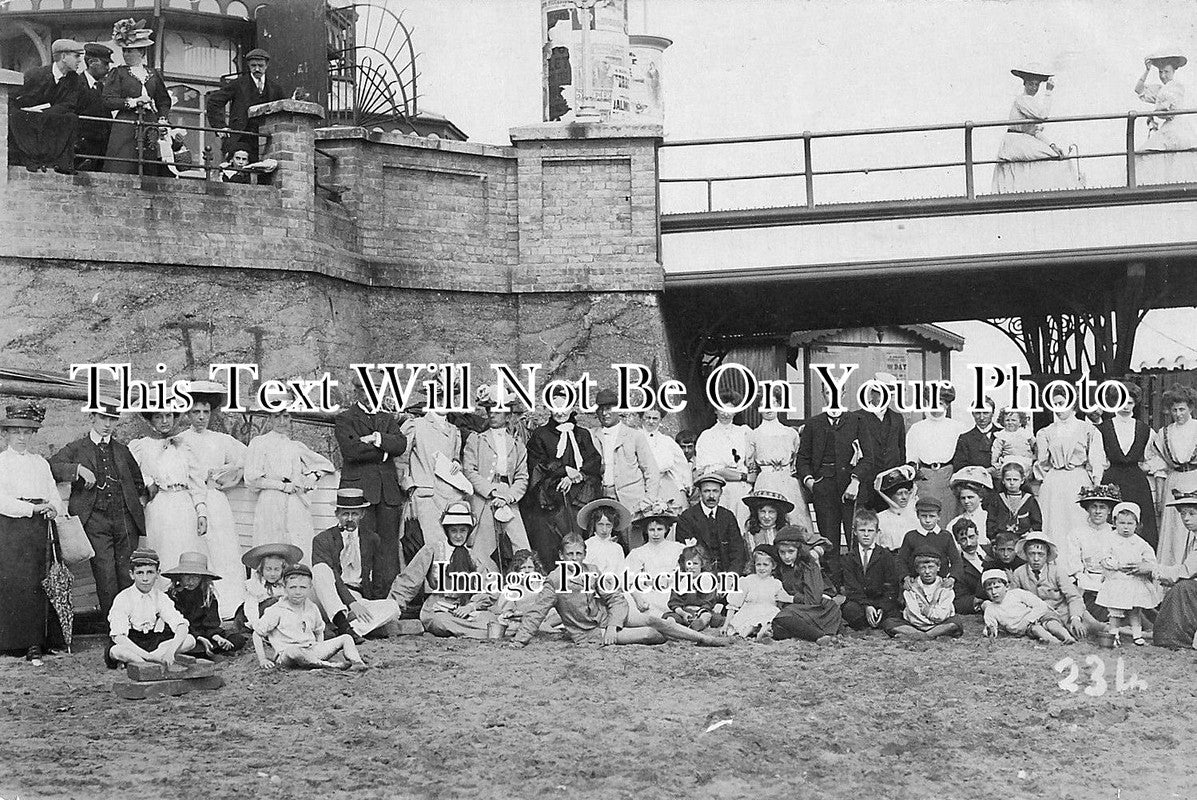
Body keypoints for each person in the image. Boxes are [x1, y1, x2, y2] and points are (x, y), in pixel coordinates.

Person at [509, 533, 728, 647]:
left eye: (578, 554)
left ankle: (705, 639)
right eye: (570, 555)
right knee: (653, 635)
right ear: (561, 556)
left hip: (608, 618)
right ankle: (679, 635)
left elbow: (616, 598)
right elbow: (537, 612)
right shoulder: (555, 580)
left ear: (584, 555)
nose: (575, 559)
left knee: (654, 620)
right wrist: (519, 641)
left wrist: (614, 624)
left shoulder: (592, 570)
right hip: (589, 633)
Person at [50, 401, 148, 618]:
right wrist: (77, 470)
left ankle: (132, 622)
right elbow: (51, 466)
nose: (107, 424)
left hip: (124, 520)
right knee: (105, 575)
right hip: (95, 521)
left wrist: (137, 502)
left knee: (127, 572)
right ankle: (113, 625)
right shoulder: (76, 449)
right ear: (91, 417)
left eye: (112, 419)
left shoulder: (122, 450)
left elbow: (138, 482)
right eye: (103, 418)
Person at [0, 402, 67, 664]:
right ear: (6, 434)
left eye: (26, 432)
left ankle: (36, 641)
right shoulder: (1, 462)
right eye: (16, 431)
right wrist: (31, 509)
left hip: (40, 528)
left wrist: (53, 508)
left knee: (40, 582)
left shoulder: (40, 463)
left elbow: (53, 494)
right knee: (15, 582)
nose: (21, 437)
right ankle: (11, 642)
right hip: (11, 528)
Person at [178, 382, 248, 619]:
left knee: (224, 551)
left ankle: (229, 604)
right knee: (196, 550)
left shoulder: (222, 440)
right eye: (196, 412)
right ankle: (197, 607)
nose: (201, 417)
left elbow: (248, 458)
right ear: (188, 413)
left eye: (205, 412)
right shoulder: (180, 440)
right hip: (189, 501)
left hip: (216, 501)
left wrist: (228, 472)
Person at [334, 381, 407, 589]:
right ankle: (362, 595)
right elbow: (352, 451)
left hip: (388, 493)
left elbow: (401, 444)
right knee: (360, 544)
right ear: (358, 392)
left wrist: (376, 438)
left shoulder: (387, 418)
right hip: (360, 492)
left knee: (388, 548)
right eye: (367, 391)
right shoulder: (345, 418)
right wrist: (385, 450)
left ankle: (387, 597)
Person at [388, 503, 499, 638]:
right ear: (447, 531)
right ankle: (476, 632)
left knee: (490, 620)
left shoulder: (474, 557)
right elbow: (409, 580)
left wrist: (470, 607)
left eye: (462, 530)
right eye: (454, 530)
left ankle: (473, 631)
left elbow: (488, 590)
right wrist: (393, 609)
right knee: (440, 622)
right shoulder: (433, 550)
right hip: (439, 609)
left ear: (468, 531)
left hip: (466, 608)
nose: (458, 536)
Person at [311, 488, 402, 642]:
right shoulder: (322, 539)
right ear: (337, 514)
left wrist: (369, 603)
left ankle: (347, 631)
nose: (350, 519)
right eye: (345, 514)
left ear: (362, 515)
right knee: (320, 569)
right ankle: (342, 623)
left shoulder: (371, 538)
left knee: (393, 607)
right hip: (328, 597)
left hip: (356, 597)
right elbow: (331, 575)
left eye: (355, 514)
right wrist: (351, 603)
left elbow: (378, 576)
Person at [244, 408, 335, 560]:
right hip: (270, 500)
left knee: (298, 542)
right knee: (270, 543)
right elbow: (251, 479)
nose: (281, 421)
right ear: (270, 418)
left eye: (285, 417)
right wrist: (282, 486)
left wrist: (312, 477)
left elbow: (326, 465)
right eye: (277, 416)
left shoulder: (295, 446)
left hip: (295, 501)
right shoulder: (259, 443)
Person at [129, 410, 207, 582]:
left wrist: (201, 511)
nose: (164, 421)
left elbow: (196, 480)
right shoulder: (142, 445)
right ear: (150, 420)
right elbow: (129, 473)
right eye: (158, 416)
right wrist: (148, 482)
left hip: (183, 504)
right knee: (162, 550)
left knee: (185, 549)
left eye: (169, 416)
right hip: (159, 505)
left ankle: (184, 595)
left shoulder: (183, 444)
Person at [523, 399, 602, 569]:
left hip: (579, 499)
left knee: (579, 541)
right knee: (552, 545)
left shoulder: (583, 434)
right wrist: (564, 471)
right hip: (552, 501)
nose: (560, 412)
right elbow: (537, 466)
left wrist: (578, 475)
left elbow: (594, 462)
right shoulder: (541, 435)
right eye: (555, 407)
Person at [796, 406, 863, 589]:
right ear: (824, 395)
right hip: (823, 488)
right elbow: (802, 459)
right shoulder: (814, 423)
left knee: (854, 537)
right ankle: (833, 587)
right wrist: (810, 482)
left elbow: (868, 457)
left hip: (850, 488)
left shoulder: (856, 421)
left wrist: (856, 480)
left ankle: (855, 586)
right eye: (827, 392)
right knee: (829, 539)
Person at [253, 564, 367, 671]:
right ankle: (328, 665)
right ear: (284, 587)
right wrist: (262, 659)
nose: (298, 592)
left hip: (311, 649)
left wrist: (319, 647)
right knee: (293, 651)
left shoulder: (312, 608)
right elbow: (257, 633)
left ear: (310, 587)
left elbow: (319, 631)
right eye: (292, 587)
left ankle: (357, 662)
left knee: (346, 638)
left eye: (303, 587)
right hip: (287, 655)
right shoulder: (276, 610)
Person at [463, 390, 531, 568]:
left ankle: (525, 588)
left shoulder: (517, 445)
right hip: (484, 498)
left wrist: (507, 497)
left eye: (498, 410)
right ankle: (484, 591)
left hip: (507, 496)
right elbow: (469, 470)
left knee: (521, 546)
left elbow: (522, 477)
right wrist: (491, 492)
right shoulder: (476, 440)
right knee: (481, 550)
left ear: (508, 416)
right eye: (490, 409)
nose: (492, 413)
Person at [992, 64, 1081, 193]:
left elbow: (1035, 131)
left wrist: (1052, 145)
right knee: (1051, 157)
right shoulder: (1022, 100)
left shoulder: (1030, 102)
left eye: (1036, 85)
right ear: (1025, 84)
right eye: (1031, 84)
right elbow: (1042, 115)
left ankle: (1058, 187)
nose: (1034, 88)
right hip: (1015, 141)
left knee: (1055, 154)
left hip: (1024, 139)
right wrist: (1048, 92)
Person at [105, 548, 196, 669]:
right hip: (130, 643)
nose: (145, 578)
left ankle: (143, 663)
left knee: (190, 640)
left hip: (153, 643)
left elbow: (181, 626)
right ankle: (147, 662)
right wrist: (147, 656)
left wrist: (170, 651)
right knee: (117, 651)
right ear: (132, 574)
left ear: (158, 573)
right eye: (140, 573)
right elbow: (119, 637)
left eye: (150, 572)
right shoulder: (123, 598)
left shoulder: (161, 597)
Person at [593, 388, 660, 550]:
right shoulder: (592, 435)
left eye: (609, 408)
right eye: (601, 409)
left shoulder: (634, 435)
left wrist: (647, 500)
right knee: (606, 545)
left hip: (631, 501)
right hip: (602, 498)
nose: (605, 413)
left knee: (634, 546)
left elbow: (651, 470)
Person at [103, 20, 171, 175]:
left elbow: (163, 100)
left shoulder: (153, 74)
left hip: (150, 123)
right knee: (123, 163)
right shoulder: (118, 73)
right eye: (125, 51)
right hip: (126, 124)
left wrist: (162, 119)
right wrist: (133, 102)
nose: (126, 55)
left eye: (130, 51)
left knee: (149, 165)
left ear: (141, 52)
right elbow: (107, 100)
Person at [7, 39, 83, 174]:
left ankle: (59, 162)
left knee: (71, 118)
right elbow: (12, 97)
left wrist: (43, 111)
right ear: (64, 57)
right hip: (25, 118)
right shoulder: (36, 75)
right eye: (76, 56)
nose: (80, 61)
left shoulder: (74, 79)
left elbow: (68, 104)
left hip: (48, 118)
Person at [1036, 393, 1104, 543]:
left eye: (1061, 403)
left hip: (1078, 480)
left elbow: (1096, 458)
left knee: (1078, 521)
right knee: (1054, 523)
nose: (1057, 408)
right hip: (1054, 482)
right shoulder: (1046, 432)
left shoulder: (1088, 429)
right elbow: (1042, 462)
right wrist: (1047, 478)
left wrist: (1096, 482)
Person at [1096, 383, 1157, 551]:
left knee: (1140, 521)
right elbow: (1097, 458)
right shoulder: (1102, 429)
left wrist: (1146, 466)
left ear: (1135, 404)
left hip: (1136, 481)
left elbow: (1153, 456)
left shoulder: (1145, 429)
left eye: (1129, 402)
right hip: (1111, 479)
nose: (1125, 406)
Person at [204, 48, 285, 162]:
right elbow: (214, 101)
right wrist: (220, 127)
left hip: (265, 140)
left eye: (260, 65)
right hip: (240, 137)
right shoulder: (238, 84)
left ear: (266, 66)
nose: (257, 69)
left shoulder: (275, 89)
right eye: (253, 65)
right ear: (248, 65)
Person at [1097, 502, 1160, 646]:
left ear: (1137, 524)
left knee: (1134, 609)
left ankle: (1137, 635)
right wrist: (1116, 565)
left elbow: (1150, 559)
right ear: (1114, 523)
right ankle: (1114, 634)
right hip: (1117, 579)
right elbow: (1104, 557)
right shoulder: (1109, 539)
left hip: (1134, 580)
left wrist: (1143, 567)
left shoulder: (1140, 543)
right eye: (1122, 523)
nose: (1126, 527)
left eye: (1130, 524)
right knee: (1115, 609)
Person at [1148, 385, 1197, 569]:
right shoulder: (1165, 433)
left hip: (1195, 479)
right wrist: (1160, 498)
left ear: (1190, 408)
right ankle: (1171, 574)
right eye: (1174, 410)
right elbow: (1159, 466)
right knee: (1175, 530)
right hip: (1175, 482)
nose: (1178, 414)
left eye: (1182, 409)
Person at [163, 552, 244, 657]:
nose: (191, 581)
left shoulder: (208, 597)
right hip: (184, 635)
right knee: (180, 641)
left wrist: (218, 638)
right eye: (187, 576)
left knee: (237, 639)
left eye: (196, 577)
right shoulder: (172, 596)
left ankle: (210, 649)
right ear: (179, 577)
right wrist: (199, 637)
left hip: (205, 634)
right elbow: (176, 624)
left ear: (202, 578)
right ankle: (202, 651)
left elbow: (211, 624)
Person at [748, 404, 815, 534]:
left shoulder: (791, 433)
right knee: (766, 516)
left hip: (787, 481)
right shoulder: (753, 434)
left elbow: (798, 457)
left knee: (794, 519)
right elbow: (750, 462)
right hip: (765, 480)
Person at [1009, 532, 1089, 639]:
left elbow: (1073, 596)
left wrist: (1075, 618)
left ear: (1047, 556)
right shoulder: (1019, 573)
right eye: (1032, 553)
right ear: (1026, 554)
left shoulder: (1057, 571)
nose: (1036, 558)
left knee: (1093, 627)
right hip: (1038, 616)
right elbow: (1014, 599)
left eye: (1040, 554)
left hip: (1064, 612)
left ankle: (1113, 630)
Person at [771, 525, 843, 644]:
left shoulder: (809, 566)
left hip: (818, 609)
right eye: (782, 552)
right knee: (778, 630)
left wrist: (791, 598)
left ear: (799, 550)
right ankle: (813, 634)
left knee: (782, 617)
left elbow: (814, 599)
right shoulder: (781, 567)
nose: (786, 556)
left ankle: (819, 636)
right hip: (799, 609)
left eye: (791, 552)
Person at [1059, 484, 1119, 621]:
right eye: (1094, 507)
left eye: (1102, 507)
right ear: (1088, 509)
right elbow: (1073, 563)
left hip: (1110, 579)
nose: (1098, 511)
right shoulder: (1077, 533)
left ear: (1109, 510)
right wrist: (1083, 578)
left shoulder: (1115, 533)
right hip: (1086, 580)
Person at [905, 386, 961, 524]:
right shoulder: (917, 428)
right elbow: (911, 458)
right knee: (927, 514)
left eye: (940, 403)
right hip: (925, 477)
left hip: (948, 476)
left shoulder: (957, 427)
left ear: (947, 405)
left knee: (948, 515)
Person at [1134, 51, 1197, 172]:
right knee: (1144, 156)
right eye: (1160, 72)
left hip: (1177, 129)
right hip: (1168, 128)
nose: (1163, 75)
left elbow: (1168, 111)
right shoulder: (1161, 89)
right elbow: (1138, 89)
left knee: (1149, 155)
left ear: (1173, 71)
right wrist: (1147, 70)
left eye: (1166, 72)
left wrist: (1152, 114)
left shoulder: (1176, 87)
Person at [674, 470, 747, 575]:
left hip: (726, 573)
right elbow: (686, 554)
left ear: (721, 493)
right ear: (699, 492)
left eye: (715, 491)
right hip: (699, 575)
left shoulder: (727, 516)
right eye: (707, 491)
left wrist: (732, 575)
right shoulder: (687, 518)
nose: (711, 496)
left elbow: (737, 550)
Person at [695, 403, 754, 529]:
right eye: (721, 409)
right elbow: (714, 471)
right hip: (721, 490)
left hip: (743, 490)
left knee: (744, 525)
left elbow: (752, 461)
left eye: (730, 410)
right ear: (715, 410)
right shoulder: (707, 436)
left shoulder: (744, 432)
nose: (726, 414)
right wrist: (744, 476)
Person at [840, 509, 900, 632]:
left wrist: (881, 607)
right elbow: (852, 587)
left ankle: (878, 621)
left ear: (877, 532)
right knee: (850, 610)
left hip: (880, 601)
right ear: (855, 532)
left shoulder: (885, 555)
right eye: (862, 530)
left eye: (870, 531)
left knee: (893, 614)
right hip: (860, 603)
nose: (866, 535)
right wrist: (867, 606)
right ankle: (868, 624)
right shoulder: (849, 557)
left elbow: (892, 586)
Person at [856, 373, 907, 512]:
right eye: (880, 394)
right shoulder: (857, 417)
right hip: (865, 487)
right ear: (872, 393)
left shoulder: (897, 418)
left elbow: (901, 451)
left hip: (890, 487)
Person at [1152, 490, 1197, 649]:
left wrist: (1152, 569)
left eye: (1192, 513)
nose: (1186, 518)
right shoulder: (1193, 536)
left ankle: (1176, 636)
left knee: (1183, 589)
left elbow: (1186, 570)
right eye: (1183, 513)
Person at [884, 550, 963, 640]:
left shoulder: (945, 586)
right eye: (922, 568)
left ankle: (915, 636)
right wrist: (930, 617)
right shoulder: (911, 587)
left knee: (955, 623)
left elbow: (942, 615)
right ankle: (928, 635)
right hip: (915, 626)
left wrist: (928, 612)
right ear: (917, 570)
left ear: (938, 567)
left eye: (931, 567)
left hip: (940, 624)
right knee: (889, 623)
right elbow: (913, 615)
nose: (927, 572)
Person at [981, 570, 1075, 644]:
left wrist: (1027, 620)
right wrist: (991, 631)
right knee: (1037, 630)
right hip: (1026, 628)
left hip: (1038, 615)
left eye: (997, 587)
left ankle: (1067, 637)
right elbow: (990, 625)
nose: (994, 592)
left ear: (1007, 587)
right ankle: (1055, 642)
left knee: (1052, 624)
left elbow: (1040, 605)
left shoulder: (1016, 593)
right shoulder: (991, 609)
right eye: (989, 589)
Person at [624, 511, 686, 617]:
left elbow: (686, 571)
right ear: (646, 531)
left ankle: (675, 615)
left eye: (660, 529)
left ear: (666, 529)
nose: (656, 534)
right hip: (650, 593)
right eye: (652, 530)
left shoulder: (678, 548)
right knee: (630, 598)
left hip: (672, 590)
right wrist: (639, 597)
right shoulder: (638, 552)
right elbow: (629, 580)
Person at [724, 544, 787, 640]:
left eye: (765, 565)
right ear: (754, 565)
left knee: (771, 618)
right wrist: (725, 624)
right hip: (750, 612)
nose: (762, 568)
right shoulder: (747, 581)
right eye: (758, 564)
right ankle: (743, 635)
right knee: (750, 624)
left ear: (773, 566)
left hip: (769, 613)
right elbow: (733, 604)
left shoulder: (776, 584)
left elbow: (780, 604)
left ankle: (761, 633)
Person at [236, 542, 301, 633]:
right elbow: (251, 605)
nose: (272, 574)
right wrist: (255, 623)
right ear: (262, 569)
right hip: (255, 614)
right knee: (276, 601)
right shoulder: (256, 584)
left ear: (283, 570)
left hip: (275, 613)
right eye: (268, 569)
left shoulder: (284, 582)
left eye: (277, 569)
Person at [639, 407, 691, 513]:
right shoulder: (634, 438)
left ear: (660, 420)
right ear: (641, 418)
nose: (651, 421)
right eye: (648, 417)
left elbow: (681, 466)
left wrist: (682, 488)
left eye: (655, 418)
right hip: (641, 485)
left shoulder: (667, 442)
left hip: (665, 486)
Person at [896, 497, 958, 583]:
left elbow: (956, 561)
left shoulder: (945, 536)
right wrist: (906, 577)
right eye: (924, 516)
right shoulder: (911, 536)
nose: (927, 520)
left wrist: (952, 578)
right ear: (918, 515)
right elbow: (901, 560)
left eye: (932, 516)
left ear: (939, 516)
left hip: (941, 583)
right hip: (916, 583)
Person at [76, 43, 115, 171]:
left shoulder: (102, 88)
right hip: (81, 151)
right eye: (105, 64)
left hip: (100, 152)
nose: (108, 68)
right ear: (92, 62)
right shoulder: (76, 85)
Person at [665, 544, 721, 631]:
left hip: (702, 612)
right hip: (684, 612)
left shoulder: (707, 580)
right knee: (670, 617)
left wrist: (701, 613)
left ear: (702, 564)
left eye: (695, 564)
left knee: (714, 618)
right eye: (689, 564)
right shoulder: (680, 581)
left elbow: (709, 602)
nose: (691, 567)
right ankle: (672, 627)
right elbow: (674, 602)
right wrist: (683, 613)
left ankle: (700, 624)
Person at [989, 462, 1041, 540]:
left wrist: (1030, 534)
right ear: (1003, 480)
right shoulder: (997, 499)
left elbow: (1037, 522)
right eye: (1008, 479)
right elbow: (991, 520)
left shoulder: (1029, 500)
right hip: (1002, 539)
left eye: (1015, 479)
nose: (1012, 483)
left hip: (1023, 538)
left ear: (1022, 480)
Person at [577, 498, 628, 577]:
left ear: (613, 526)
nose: (604, 530)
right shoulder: (587, 545)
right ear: (594, 524)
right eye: (600, 524)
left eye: (608, 525)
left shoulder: (617, 548)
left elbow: (621, 573)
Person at [874, 465, 919, 551]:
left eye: (906, 493)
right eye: (899, 493)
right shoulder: (880, 518)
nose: (904, 497)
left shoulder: (916, 516)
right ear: (890, 496)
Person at [946, 466, 993, 547]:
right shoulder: (954, 523)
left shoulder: (989, 519)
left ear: (981, 497)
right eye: (963, 498)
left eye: (970, 497)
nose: (966, 501)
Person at [952, 397, 998, 474]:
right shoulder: (965, 438)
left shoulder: (1003, 434)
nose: (982, 417)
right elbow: (959, 466)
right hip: (975, 483)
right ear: (972, 414)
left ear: (992, 413)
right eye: (978, 413)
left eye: (986, 413)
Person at [951, 518, 987, 615]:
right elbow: (959, 602)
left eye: (971, 537)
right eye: (963, 539)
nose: (969, 543)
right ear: (957, 541)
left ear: (978, 534)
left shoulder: (992, 552)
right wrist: (977, 602)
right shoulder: (958, 567)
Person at [991, 408, 1036, 478]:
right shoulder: (1002, 435)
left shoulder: (1025, 433)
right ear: (1002, 422)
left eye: (1013, 420)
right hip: (1009, 460)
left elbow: (1035, 445)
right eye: (1007, 420)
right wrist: (994, 462)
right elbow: (996, 449)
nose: (1010, 422)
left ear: (1020, 422)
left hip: (1025, 460)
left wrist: (1035, 457)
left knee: (1025, 476)